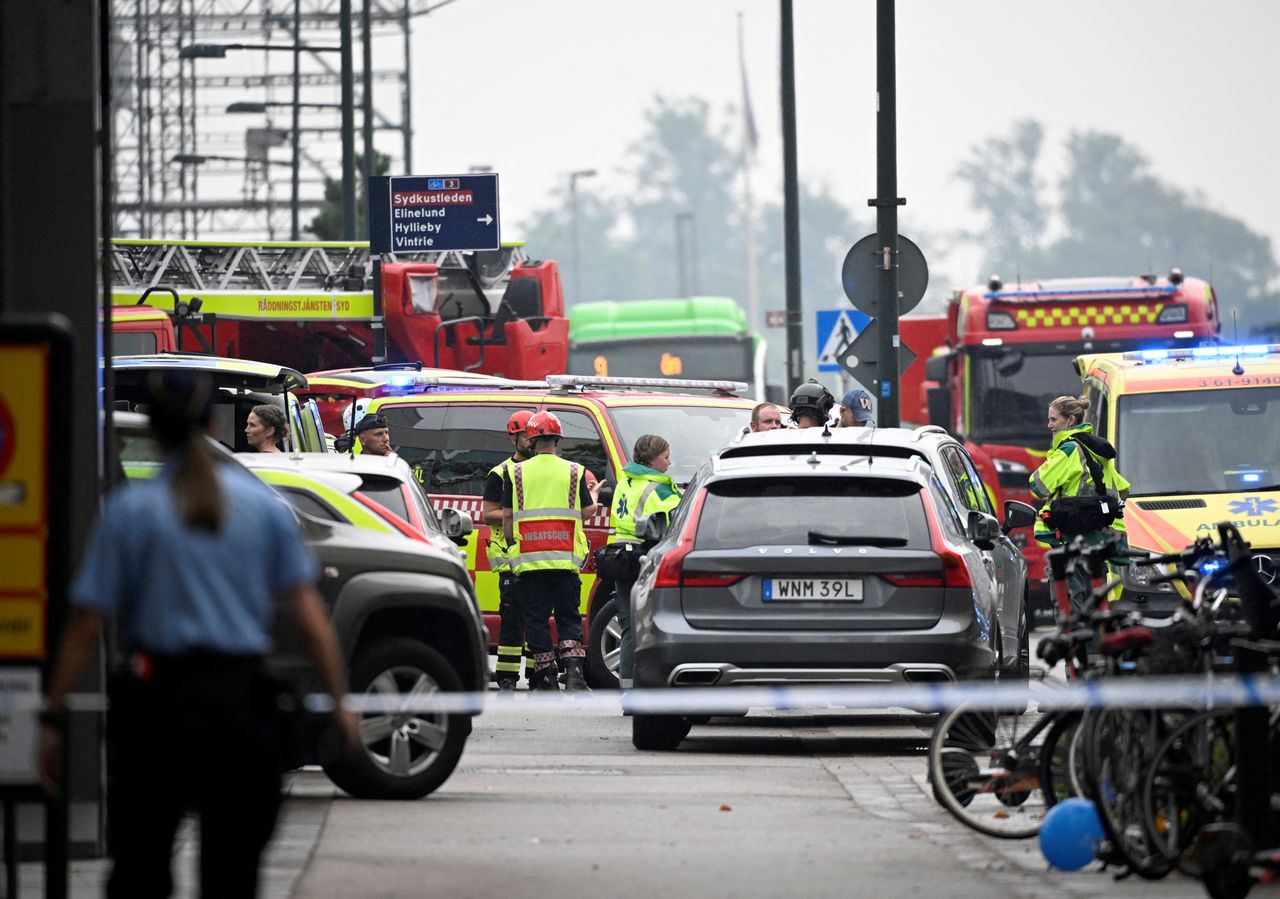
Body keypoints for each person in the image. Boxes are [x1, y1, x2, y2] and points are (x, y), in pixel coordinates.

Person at [39, 370, 358, 899]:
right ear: (213, 424)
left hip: (155, 713)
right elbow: (309, 621)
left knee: (140, 868)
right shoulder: (262, 509)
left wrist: (52, 718)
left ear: (155, 431)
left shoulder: (128, 512)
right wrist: (342, 703)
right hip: (240, 711)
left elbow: (85, 625)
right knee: (231, 874)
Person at [502, 411, 599, 693]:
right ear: (557, 438)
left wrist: (512, 543)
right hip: (565, 560)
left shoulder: (515, 472)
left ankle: (545, 677)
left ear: (531, 440)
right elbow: (584, 512)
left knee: (536, 620)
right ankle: (574, 674)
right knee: (569, 618)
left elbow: (507, 516)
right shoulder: (575, 471)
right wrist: (593, 499)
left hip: (529, 563)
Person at [1029, 394, 1131, 614]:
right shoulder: (1095, 450)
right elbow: (1123, 488)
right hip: (1097, 539)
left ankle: (1077, 646)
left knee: (1070, 604)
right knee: (1096, 600)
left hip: (1071, 538)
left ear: (1070, 421)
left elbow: (1038, 486)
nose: (1049, 425)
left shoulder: (1069, 450)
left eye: (1053, 419)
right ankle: (1096, 645)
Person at [609, 435, 681, 689]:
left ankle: (628, 692)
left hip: (620, 557)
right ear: (652, 460)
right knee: (653, 629)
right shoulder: (658, 487)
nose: (669, 463)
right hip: (644, 559)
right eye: (665, 457)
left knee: (628, 628)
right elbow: (681, 519)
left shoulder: (626, 480)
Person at [482, 410, 537, 694]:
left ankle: (538, 674)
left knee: (538, 618)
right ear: (514, 436)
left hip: (540, 555)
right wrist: (517, 514)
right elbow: (488, 513)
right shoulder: (500, 474)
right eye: (527, 435)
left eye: (536, 435)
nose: (532, 440)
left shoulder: (544, 471)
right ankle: (507, 678)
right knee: (513, 619)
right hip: (510, 559)